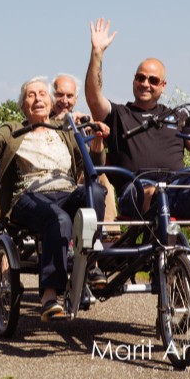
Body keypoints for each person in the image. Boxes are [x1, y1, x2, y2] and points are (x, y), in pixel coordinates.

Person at [84, 17, 190, 302]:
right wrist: (97, 54)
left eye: (153, 80)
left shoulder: (176, 117)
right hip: (137, 191)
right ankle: (165, 269)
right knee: (156, 191)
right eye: (140, 78)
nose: (145, 83)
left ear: (163, 86)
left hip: (177, 187)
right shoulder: (118, 114)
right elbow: (93, 96)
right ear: (133, 81)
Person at [0, 77, 108, 321]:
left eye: (42, 94)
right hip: (27, 196)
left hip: (66, 190)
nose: (38, 98)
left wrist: (98, 145)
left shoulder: (65, 131)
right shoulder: (13, 129)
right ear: (23, 105)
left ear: (50, 102)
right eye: (31, 95)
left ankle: (91, 265)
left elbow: (91, 167)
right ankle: (49, 296)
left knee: (97, 193)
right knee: (58, 220)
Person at [51, 73, 118, 285]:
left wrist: (97, 138)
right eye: (59, 94)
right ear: (51, 96)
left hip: (79, 179)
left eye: (69, 96)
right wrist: (62, 123)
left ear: (76, 99)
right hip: (55, 180)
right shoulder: (42, 119)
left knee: (102, 179)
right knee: (94, 182)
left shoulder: (83, 122)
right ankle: (95, 252)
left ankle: (107, 235)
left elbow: (96, 161)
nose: (64, 100)